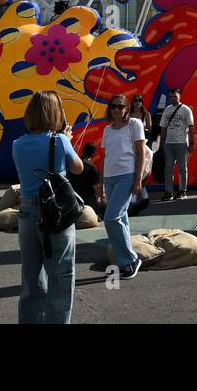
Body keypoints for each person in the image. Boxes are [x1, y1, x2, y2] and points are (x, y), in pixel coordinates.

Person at [12, 92, 83, 324]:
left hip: (27, 212)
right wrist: (67, 140)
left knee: (32, 279)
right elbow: (78, 168)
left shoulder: (17, 144)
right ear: (55, 113)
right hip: (56, 212)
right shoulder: (60, 141)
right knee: (61, 277)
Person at [98, 95, 145, 280]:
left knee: (110, 218)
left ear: (127, 108)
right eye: (113, 106)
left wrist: (138, 179)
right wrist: (101, 183)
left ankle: (130, 260)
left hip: (127, 175)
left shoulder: (134, 124)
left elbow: (141, 154)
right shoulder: (107, 129)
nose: (117, 110)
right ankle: (127, 258)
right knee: (121, 218)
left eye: (121, 106)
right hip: (109, 177)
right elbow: (105, 157)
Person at [158, 88, 194, 201]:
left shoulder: (186, 109)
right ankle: (169, 192)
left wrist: (192, 142)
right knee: (168, 169)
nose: (173, 99)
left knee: (182, 168)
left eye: (175, 97)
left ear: (180, 97)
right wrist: (161, 143)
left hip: (181, 142)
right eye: (171, 97)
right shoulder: (167, 110)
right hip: (169, 143)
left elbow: (191, 127)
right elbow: (163, 127)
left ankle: (182, 190)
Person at [69, 142, 103, 216]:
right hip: (89, 203)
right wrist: (101, 199)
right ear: (94, 154)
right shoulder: (92, 167)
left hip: (74, 201)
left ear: (83, 151)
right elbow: (96, 188)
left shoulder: (74, 165)